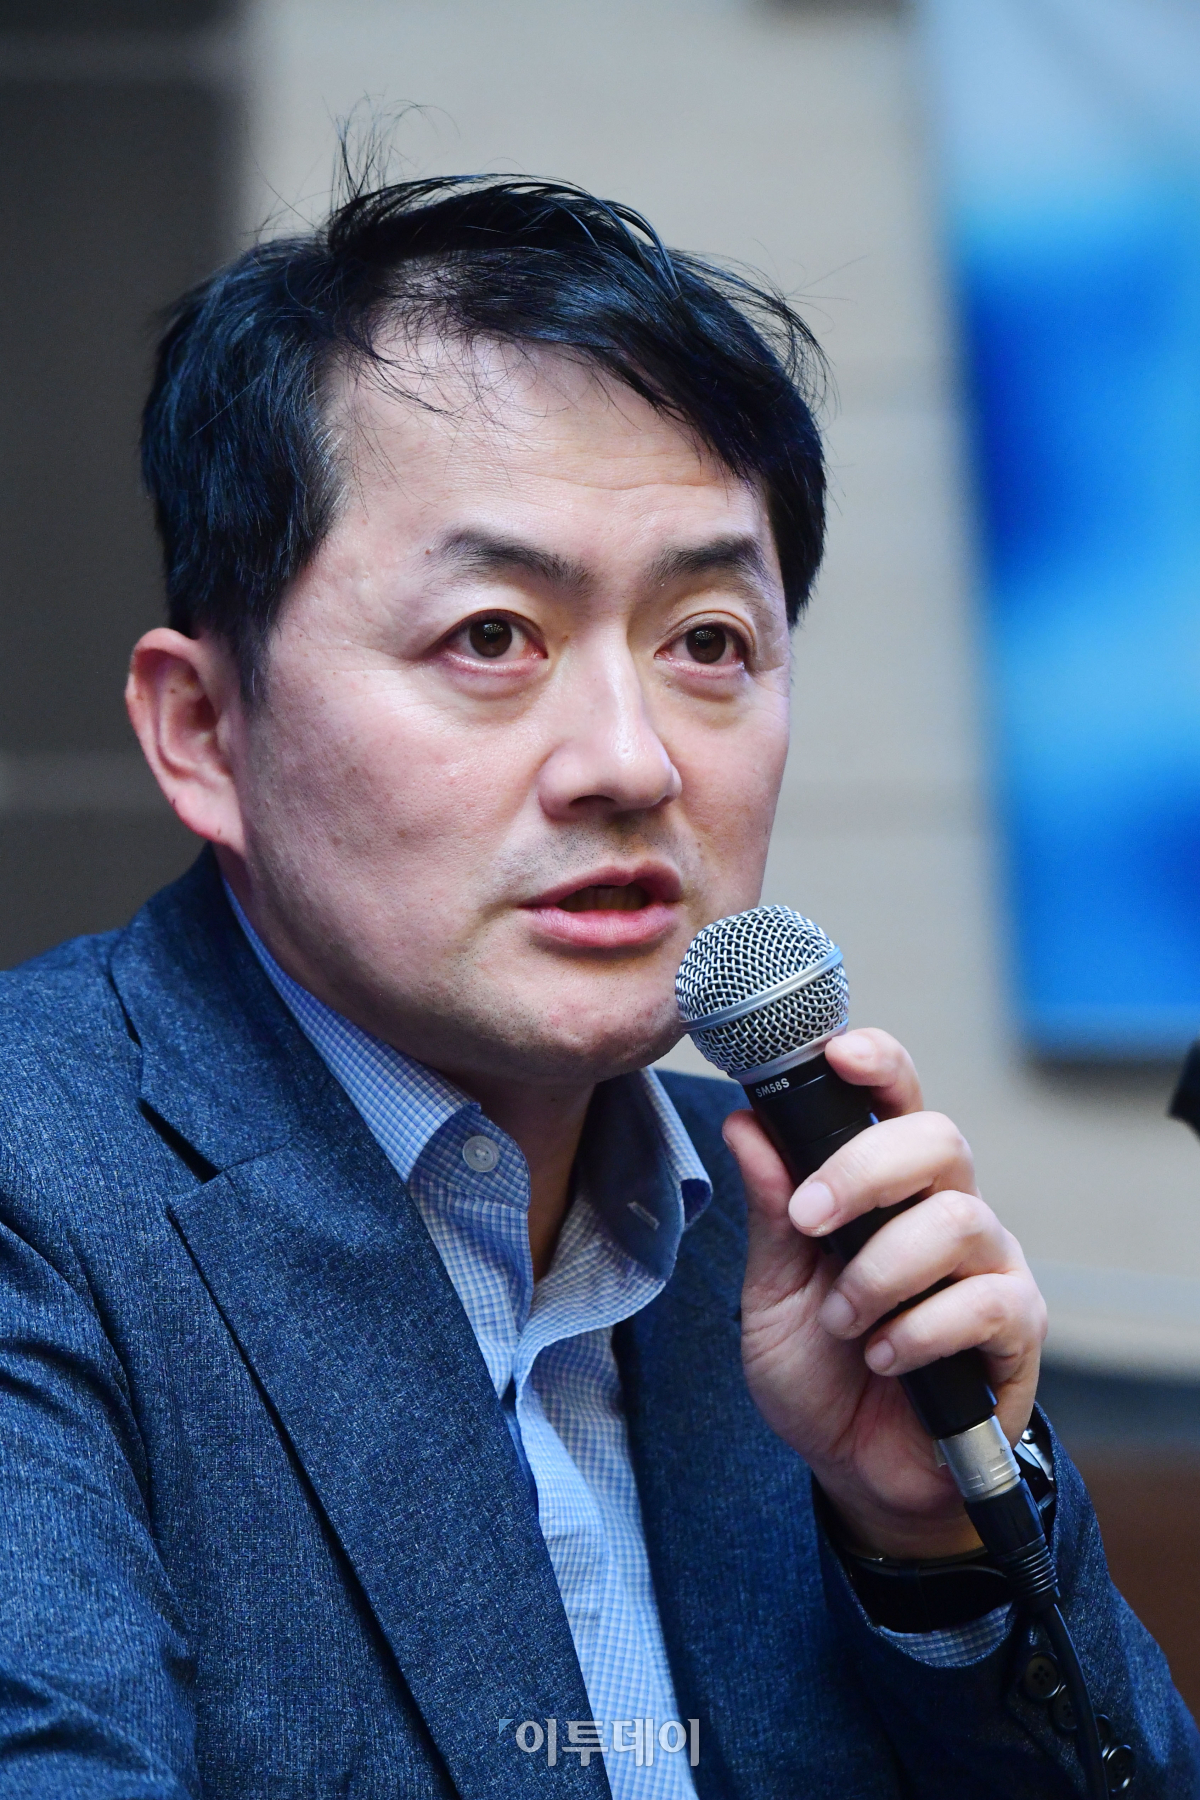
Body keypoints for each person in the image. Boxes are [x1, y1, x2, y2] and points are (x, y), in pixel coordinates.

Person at [0, 174, 1194, 1800]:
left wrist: (926, 1548)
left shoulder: (794, 1233)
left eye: (709, 642)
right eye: (494, 635)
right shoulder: (41, 1183)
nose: (632, 763)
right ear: (204, 731)